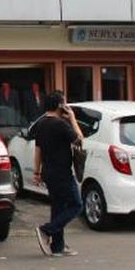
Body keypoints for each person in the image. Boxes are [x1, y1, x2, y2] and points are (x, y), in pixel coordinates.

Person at [31, 91, 84, 257]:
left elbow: (37, 150)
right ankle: (46, 230)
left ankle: (57, 246)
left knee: (58, 207)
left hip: (48, 172)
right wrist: (73, 119)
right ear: (60, 105)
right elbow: (79, 139)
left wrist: (37, 172)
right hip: (62, 172)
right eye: (65, 103)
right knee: (76, 204)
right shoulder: (60, 124)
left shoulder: (41, 124)